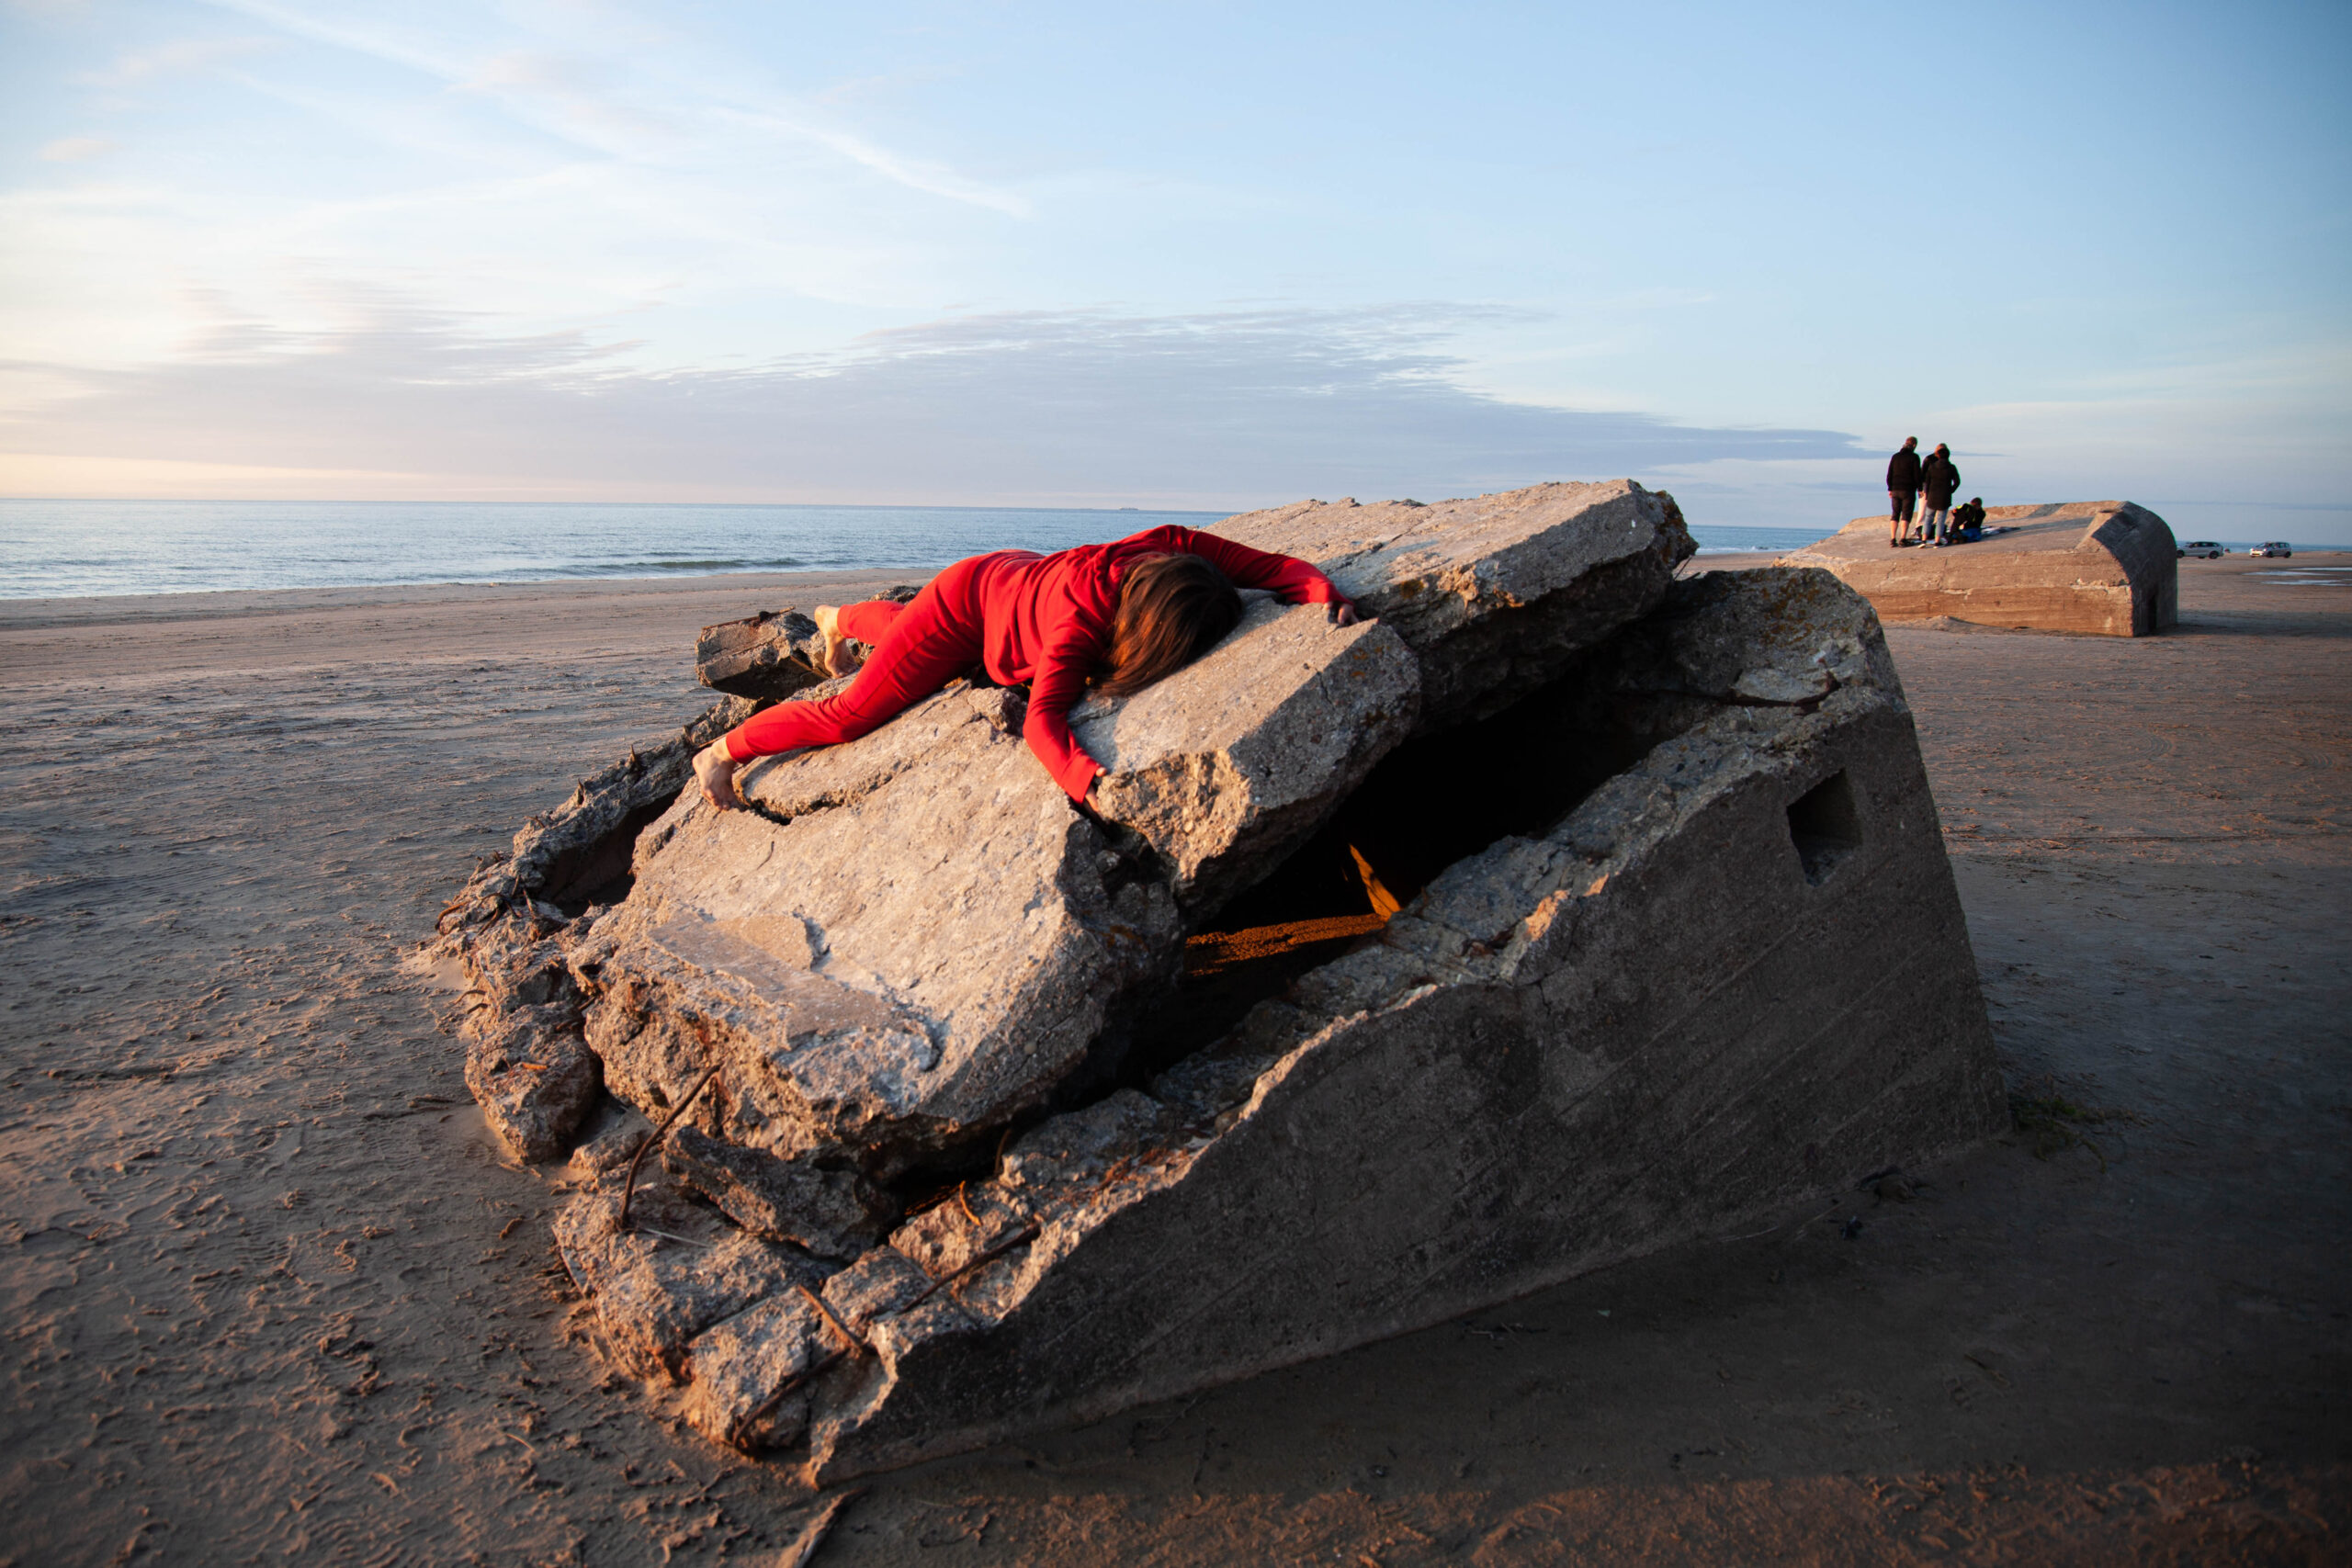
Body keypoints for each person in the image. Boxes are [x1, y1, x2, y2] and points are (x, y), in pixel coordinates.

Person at [693, 526, 1359, 811]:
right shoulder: (1081, 622)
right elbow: (1042, 719)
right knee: (850, 715)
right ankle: (720, 753)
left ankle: (837, 619)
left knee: (909, 640)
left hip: (1006, 580)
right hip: (967, 604)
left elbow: (1271, 569)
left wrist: (1322, 593)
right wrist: (1089, 780)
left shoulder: (1175, 550)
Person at [1918, 444, 1961, 544]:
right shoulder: (1951, 467)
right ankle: (1937, 541)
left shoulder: (1932, 467)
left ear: (1938, 455)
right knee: (1941, 520)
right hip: (1944, 496)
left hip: (1932, 496)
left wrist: (1927, 494)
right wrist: (1951, 490)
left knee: (1928, 518)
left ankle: (1924, 539)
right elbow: (1957, 482)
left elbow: (1927, 482)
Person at [1886, 437, 1922, 547]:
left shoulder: (1895, 457)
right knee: (1906, 514)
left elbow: (1889, 474)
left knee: (1895, 514)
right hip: (1908, 490)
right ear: (1914, 445)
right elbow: (1917, 475)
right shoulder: (1914, 457)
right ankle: (1902, 538)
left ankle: (1892, 539)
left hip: (1895, 489)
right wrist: (1919, 488)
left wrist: (1890, 488)